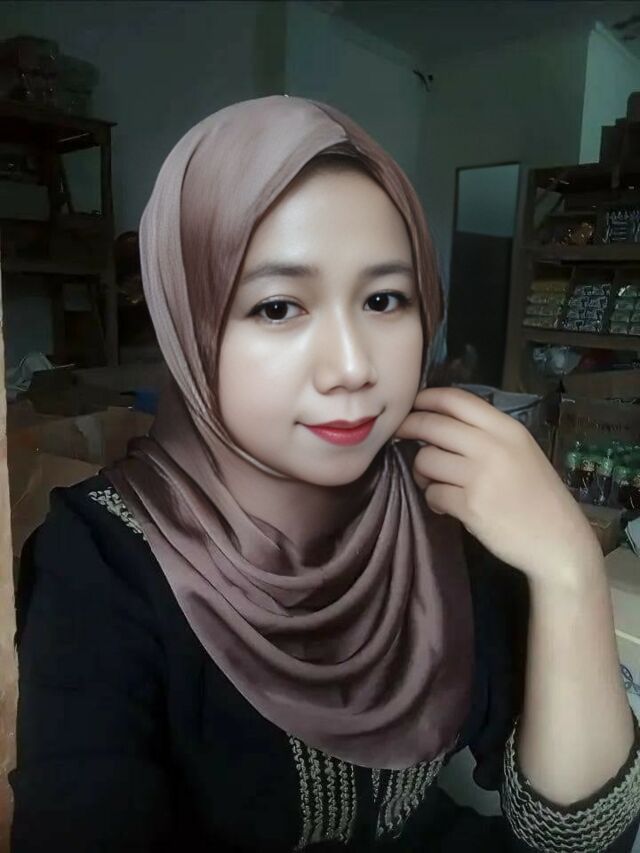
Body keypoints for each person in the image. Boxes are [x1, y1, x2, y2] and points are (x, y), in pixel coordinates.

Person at [9, 96, 640, 852]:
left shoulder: (440, 505)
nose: (351, 367)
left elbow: (577, 839)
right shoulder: (99, 560)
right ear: (189, 323)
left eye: (384, 299)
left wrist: (570, 568)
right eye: (278, 307)